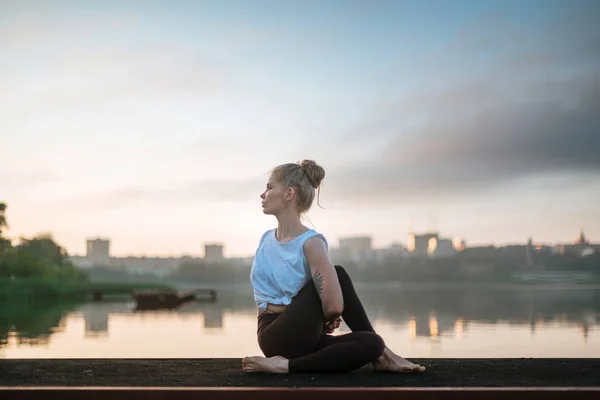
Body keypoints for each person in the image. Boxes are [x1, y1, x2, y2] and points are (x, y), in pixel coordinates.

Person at [242, 159, 425, 374]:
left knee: (372, 343)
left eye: (270, 187)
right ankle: (386, 356)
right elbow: (333, 308)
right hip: (276, 335)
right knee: (338, 274)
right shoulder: (268, 239)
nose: (263, 194)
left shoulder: (310, 243)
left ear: (289, 194)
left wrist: (318, 319)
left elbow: (332, 308)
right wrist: (321, 316)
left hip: (296, 336)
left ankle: (285, 365)